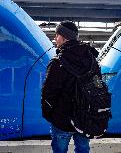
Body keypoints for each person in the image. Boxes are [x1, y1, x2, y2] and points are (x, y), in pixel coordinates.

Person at [41, 21, 99, 153]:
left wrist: (50, 116)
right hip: (84, 119)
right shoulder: (91, 59)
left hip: (62, 121)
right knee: (83, 149)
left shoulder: (57, 62)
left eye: (56, 35)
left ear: (64, 37)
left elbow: (48, 93)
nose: (54, 39)